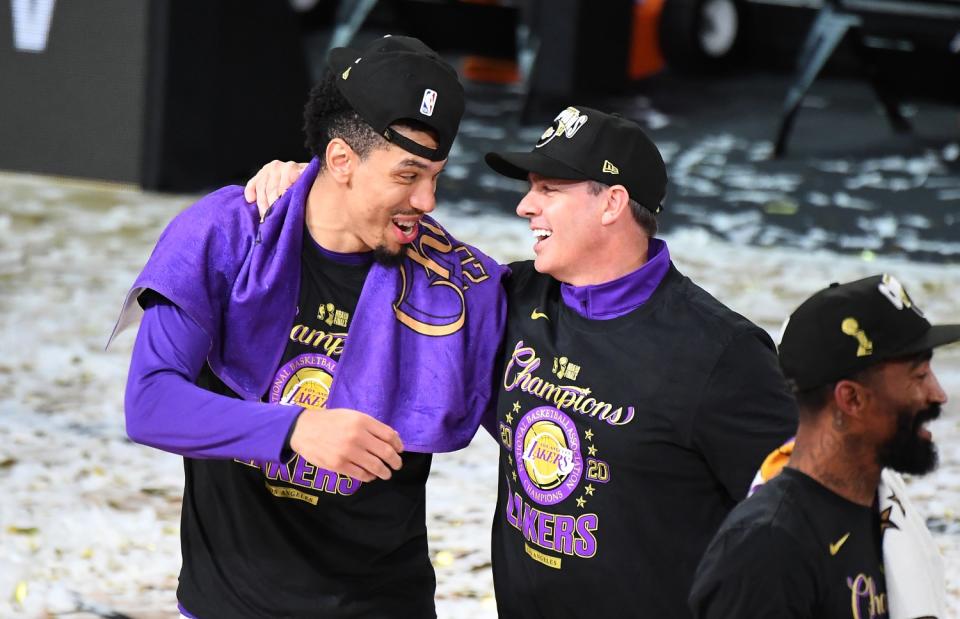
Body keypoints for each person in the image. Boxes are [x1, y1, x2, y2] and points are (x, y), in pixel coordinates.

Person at [249, 105, 799, 618]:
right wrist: (318, 181)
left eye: (549, 189)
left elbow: (795, 519)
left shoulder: (721, 352)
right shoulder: (504, 297)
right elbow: (388, 230)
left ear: (611, 203)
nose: (524, 206)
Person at [110, 35, 505, 618]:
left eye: (436, 175)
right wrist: (296, 430)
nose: (428, 200)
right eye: (408, 175)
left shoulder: (457, 286)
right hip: (227, 606)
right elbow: (151, 402)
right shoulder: (228, 235)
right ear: (341, 160)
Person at [689, 274, 957, 618]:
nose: (939, 395)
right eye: (919, 377)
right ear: (851, 398)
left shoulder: (878, 510)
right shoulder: (768, 549)